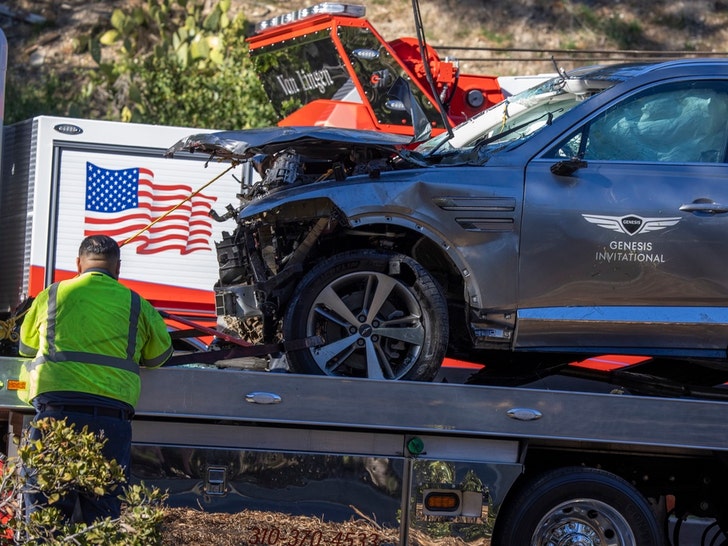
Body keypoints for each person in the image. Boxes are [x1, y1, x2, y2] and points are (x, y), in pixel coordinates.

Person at [17, 234, 173, 524]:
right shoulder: (136, 304)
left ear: (78, 263)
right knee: (101, 517)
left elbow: (25, 348)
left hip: (55, 416)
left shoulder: (53, 294)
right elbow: (158, 358)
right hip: (110, 420)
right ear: (117, 269)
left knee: (45, 514)